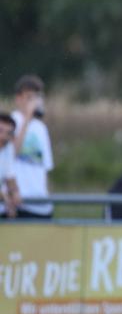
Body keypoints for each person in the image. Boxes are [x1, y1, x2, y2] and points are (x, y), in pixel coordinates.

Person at [10, 75, 54, 220]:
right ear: (18, 99)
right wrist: (27, 120)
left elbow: (45, 167)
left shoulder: (41, 128)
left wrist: (47, 198)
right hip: (19, 204)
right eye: (29, 97)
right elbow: (10, 155)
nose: (34, 102)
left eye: (37, 97)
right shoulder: (9, 122)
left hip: (40, 205)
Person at [0, 113, 22, 219]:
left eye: (8, 133)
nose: (3, 136)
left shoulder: (8, 148)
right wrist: (5, 197)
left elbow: (10, 176)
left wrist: (15, 193)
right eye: (0, 131)